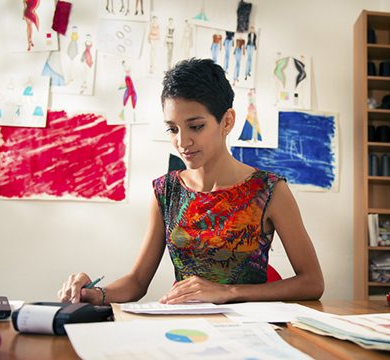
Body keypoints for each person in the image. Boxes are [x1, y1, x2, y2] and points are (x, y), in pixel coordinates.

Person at [58, 58, 324, 306]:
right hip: (185, 325)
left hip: (250, 330)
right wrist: (93, 294)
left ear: (227, 121)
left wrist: (228, 292)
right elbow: (138, 281)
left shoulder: (269, 190)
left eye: (195, 126)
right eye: (173, 129)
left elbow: (312, 283)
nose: (182, 142)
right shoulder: (166, 191)